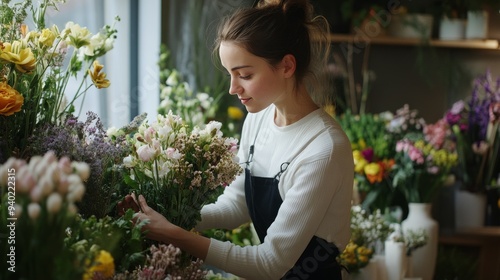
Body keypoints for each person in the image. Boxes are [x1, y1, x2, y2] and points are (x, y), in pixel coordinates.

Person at [132, 0, 354, 279]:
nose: (232, 88)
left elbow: (270, 263)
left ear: (286, 66)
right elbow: (236, 205)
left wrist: (174, 234)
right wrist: (166, 214)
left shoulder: (323, 149)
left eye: (245, 75)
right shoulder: (259, 119)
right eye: (230, 74)